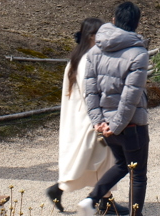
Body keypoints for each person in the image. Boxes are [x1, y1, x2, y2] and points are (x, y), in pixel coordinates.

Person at [47, 18, 125, 215]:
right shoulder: (87, 60)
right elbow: (89, 91)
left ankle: (104, 200)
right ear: (92, 36)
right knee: (94, 159)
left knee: (100, 159)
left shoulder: (78, 58)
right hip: (89, 118)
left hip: (81, 116)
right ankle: (62, 189)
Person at [80, 2, 149, 216]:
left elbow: (90, 91)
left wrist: (99, 121)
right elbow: (130, 97)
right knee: (137, 174)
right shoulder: (138, 53)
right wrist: (117, 125)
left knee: (121, 164)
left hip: (107, 123)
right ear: (137, 23)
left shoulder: (95, 51)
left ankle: (91, 200)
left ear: (113, 20)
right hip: (130, 125)